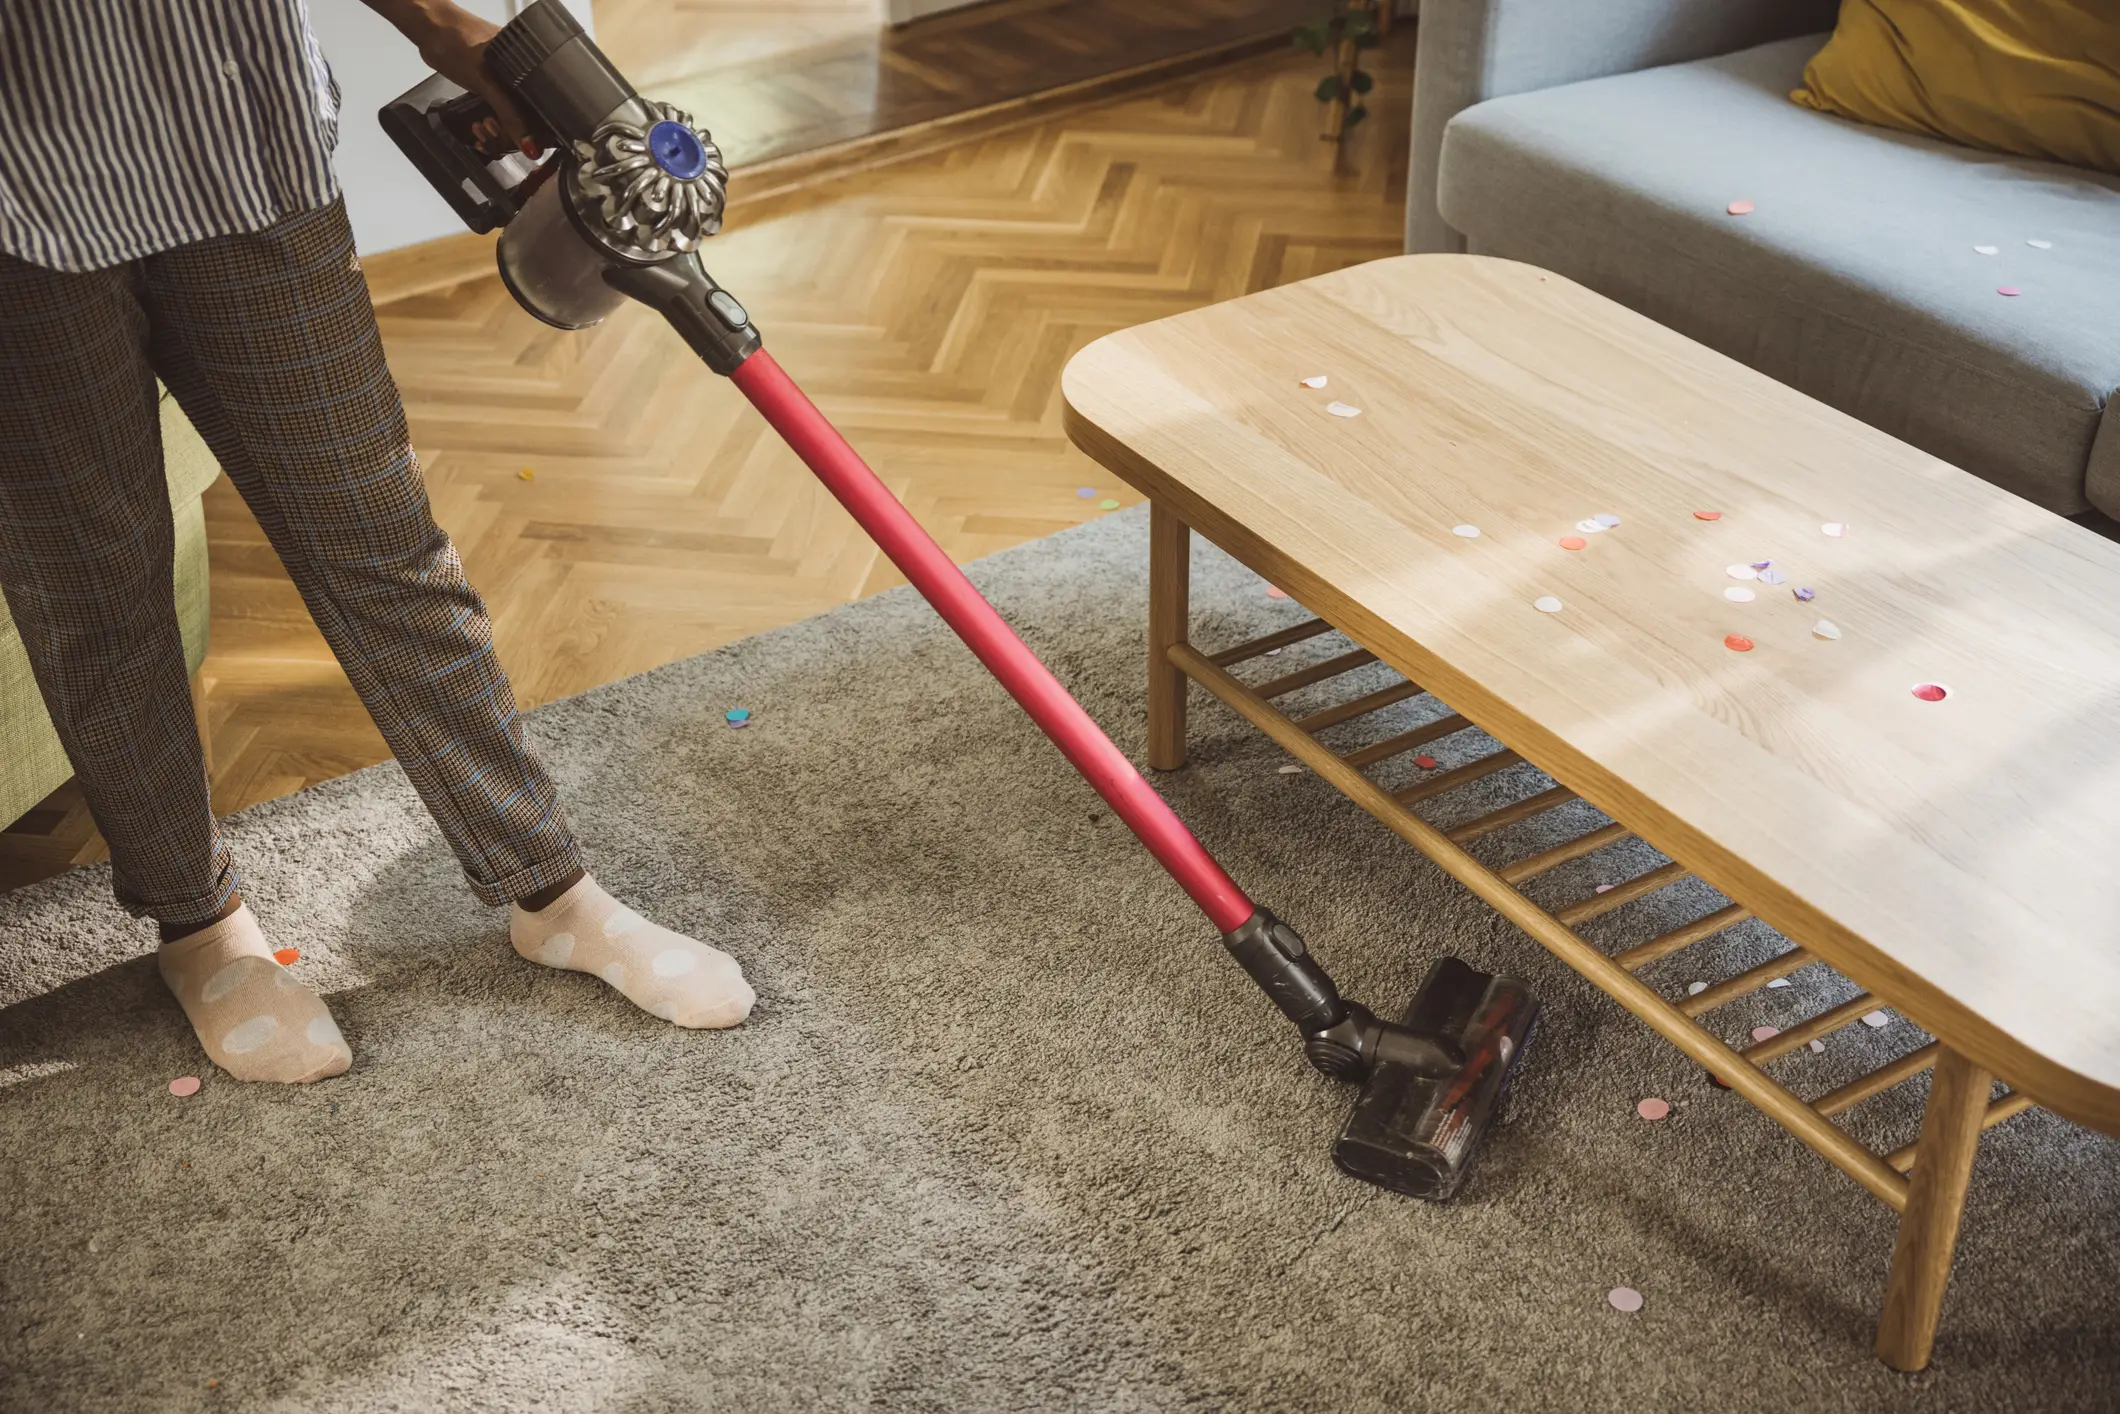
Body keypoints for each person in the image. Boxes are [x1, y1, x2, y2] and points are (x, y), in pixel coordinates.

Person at [0, 0, 754, 1083]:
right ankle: (201, 928)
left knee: (380, 542)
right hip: (17, 214)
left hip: (234, 144)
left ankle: (552, 892)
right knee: (95, 589)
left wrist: (445, 27)